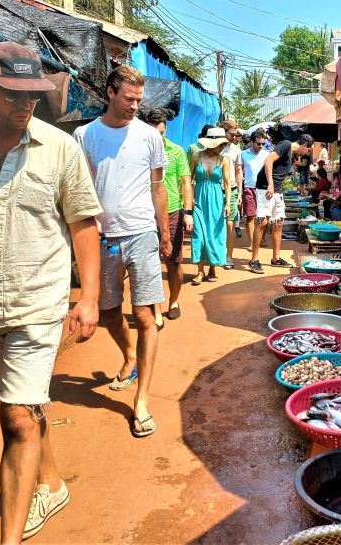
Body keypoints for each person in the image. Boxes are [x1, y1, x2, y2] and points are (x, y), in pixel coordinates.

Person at [0, 42, 102, 541]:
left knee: (16, 418)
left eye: (33, 96)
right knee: (17, 400)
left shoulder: (59, 148)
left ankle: (9, 539)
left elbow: (83, 222)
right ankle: (51, 481)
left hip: (37, 299)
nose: (25, 106)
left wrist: (87, 297)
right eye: (11, 94)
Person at [74, 65, 170, 440]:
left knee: (145, 315)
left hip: (142, 234)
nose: (135, 106)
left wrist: (164, 233)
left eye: (139, 100)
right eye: (129, 98)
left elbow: (158, 188)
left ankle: (141, 399)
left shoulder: (149, 136)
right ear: (110, 92)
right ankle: (128, 356)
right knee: (110, 313)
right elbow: (77, 189)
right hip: (102, 239)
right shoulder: (85, 135)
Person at [140, 109, 193, 321]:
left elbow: (186, 183)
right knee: (148, 263)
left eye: (161, 133)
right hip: (144, 213)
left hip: (172, 212)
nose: (157, 138)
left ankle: (173, 300)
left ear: (166, 130)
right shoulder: (138, 150)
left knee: (173, 261)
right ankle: (155, 307)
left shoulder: (177, 151)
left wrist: (187, 212)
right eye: (153, 133)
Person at [249, 132, 314, 273]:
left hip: (277, 190)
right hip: (266, 188)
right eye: (308, 150)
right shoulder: (285, 145)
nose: (308, 153)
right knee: (262, 222)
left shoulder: (292, 153)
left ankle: (276, 258)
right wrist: (271, 184)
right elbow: (268, 161)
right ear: (304, 145)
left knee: (278, 223)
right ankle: (254, 259)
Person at [190, 127, 231, 284]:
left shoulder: (223, 160)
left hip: (216, 202)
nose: (222, 147)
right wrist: (189, 199)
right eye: (220, 144)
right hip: (199, 201)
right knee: (198, 235)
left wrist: (228, 203)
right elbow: (188, 178)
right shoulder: (196, 156)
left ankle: (212, 267)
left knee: (214, 236)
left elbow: (227, 183)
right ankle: (200, 271)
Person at [220, 120, 243, 270]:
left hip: (233, 190)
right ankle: (217, 254)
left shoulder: (236, 150)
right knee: (216, 224)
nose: (235, 138)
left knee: (230, 224)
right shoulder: (214, 148)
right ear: (224, 132)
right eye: (232, 134)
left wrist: (240, 192)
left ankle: (228, 256)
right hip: (216, 189)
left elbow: (238, 171)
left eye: (237, 135)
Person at [241, 128, 269, 246]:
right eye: (259, 143)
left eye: (263, 143)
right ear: (252, 142)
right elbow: (239, 171)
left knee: (263, 216)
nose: (261, 146)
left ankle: (261, 238)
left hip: (263, 188)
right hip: (249, 187)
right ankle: (253, 242)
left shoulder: (266, 154)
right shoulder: (243, 154)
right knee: (251, 216)